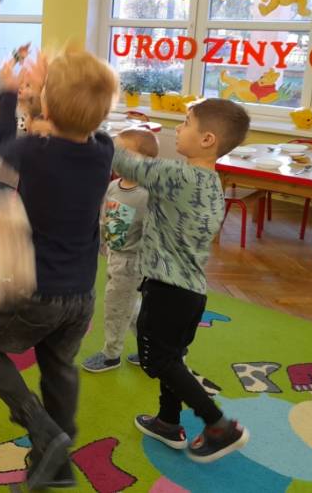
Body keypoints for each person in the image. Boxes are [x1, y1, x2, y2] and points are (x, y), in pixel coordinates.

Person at [0, 49, 117, 489]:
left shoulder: (34, 152)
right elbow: (88, 126)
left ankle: (43, 430)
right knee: (59, 366)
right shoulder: (104, 151)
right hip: (81, 294)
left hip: (36, 289)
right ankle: (57, 462)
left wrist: (10, 91)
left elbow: (2, 143)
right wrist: (50, 101)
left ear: (48, 107)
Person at [113, 98, 251, 463]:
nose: (178, 127)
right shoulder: (210, 183)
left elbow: (123, 162)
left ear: (207, 139)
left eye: (186, 122)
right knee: (172, 358)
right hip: (191, 293)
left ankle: (219, 425)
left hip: (167, 291)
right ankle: (168, 421)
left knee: (157, 360)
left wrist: (86, 124)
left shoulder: (179, 177)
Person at [82, 127, 158, 373]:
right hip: (114, 257)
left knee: (116, 308)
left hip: (132, 263)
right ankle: (153, 349)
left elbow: (155, 234)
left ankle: (111, 354)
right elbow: (105, 219)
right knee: (130, 307)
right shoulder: (114, 186)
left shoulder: (147, 195)